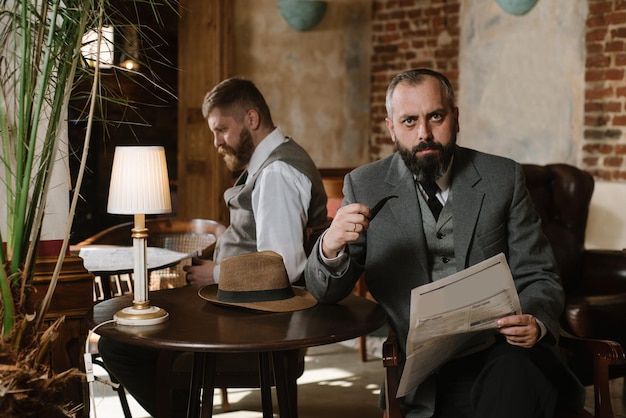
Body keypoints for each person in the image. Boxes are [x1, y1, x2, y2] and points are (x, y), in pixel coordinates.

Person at [304, 69, 585, 418]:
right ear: (391, 128)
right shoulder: (365, 185)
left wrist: (536, 321)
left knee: (515, 377)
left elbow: (539, 273)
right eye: (409, 121)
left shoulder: (503, 177)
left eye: (435, 116)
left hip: (509, 352)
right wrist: (330, 246)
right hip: (429, 374)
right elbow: (325, 292)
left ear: (455, 117)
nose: (424, 134)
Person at [98, 77, 328, 416]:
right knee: (133, 331)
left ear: (251, 119)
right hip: (240, 312)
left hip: (256, 326)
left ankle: (183, 411)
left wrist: (216, 273)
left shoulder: (277, 172)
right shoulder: (271, 163)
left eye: (221, 130)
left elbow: (284, 266)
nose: (216, 142)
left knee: (118, 345)